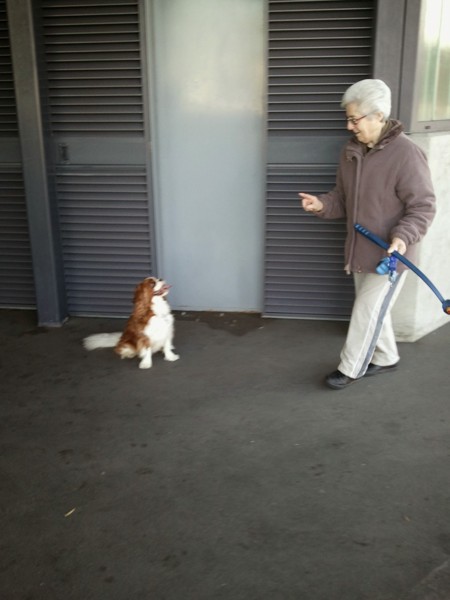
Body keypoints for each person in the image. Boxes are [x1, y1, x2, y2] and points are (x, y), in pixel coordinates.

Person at [299, 79, 436, 390]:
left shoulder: (407, 154)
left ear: (378, 116)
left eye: (355, 119)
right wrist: (321, 204)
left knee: (365, 311)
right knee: (372, 309)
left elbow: (423, 207)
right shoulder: (351, 152)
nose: (349, 126)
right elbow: (342, 200)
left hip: (391, 255)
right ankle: (386, 357)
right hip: (359, 251)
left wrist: (402, 238)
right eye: (348, 119)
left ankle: (352, 367)